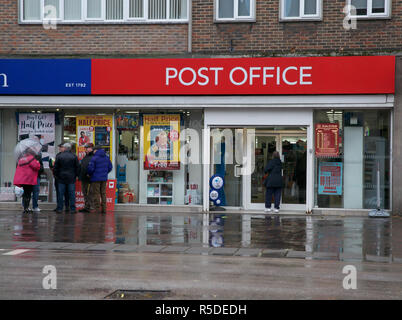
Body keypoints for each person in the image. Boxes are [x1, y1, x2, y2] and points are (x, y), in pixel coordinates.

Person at [53, 143, 80, 214]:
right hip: (71, 178)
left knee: (60, 193)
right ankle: (72, 208)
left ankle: (59, 208)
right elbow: (77, 167)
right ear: (70, 148)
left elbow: (55, 168)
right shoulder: (74, 156)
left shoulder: (59, 156)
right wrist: (76, 175)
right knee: (71, 194)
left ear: (65, 148)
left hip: (61, 178)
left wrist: (56, 175)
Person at [13, 148, 41, 214]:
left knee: (25, 194)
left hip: (22, 178)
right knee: (28, 194)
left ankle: (25, 208)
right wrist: (37, 162)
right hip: (28, 179)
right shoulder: (31, 158)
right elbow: (36, 167)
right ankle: (26, 209)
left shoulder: (21, 158)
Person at [87, 146, 113, 214]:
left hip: (95, 178)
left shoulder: (94, 158)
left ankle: (97, 209)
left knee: (96, 193)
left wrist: (90, 174)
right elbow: (110, 167)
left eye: (93, 150)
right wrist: (105, 173)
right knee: (103, 193)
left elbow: (90, 169)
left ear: (96, 150)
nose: (93, 151)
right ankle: (104, 209)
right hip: (104, 178)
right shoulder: (106, 158)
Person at [50, 143, 70, 212]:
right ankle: (59, 206)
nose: (60, 149)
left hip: (65, 177)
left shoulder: (69, 155)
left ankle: (67, 206)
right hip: (58, 177)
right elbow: (55, 166)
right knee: (59, 193)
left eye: (61, 147)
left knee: (66, 192)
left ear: (65, 148)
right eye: (59, 147)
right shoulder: (58, 155)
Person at [78, 143, 94, 213]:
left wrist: (90, 174)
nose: (86, 150)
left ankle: (90, 206)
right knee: (84, 192)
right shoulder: (85, 157)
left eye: (87, 148)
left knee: (91, 193)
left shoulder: (94, 157)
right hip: (84, 178)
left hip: (92, 178)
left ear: (91, 148)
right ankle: (87, 206)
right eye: (85, 148)